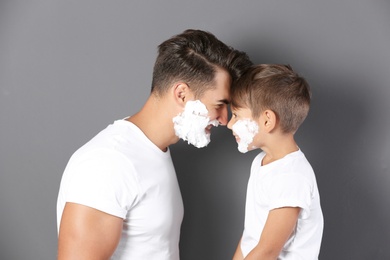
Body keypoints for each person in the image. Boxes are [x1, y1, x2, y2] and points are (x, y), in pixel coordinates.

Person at [56, 29, 252, 259]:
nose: (224, 119)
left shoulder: (151, 151)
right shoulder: (109, 161)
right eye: (219, 104)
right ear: (181, 94)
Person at [228, 64, 323, 259]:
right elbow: (251, 237)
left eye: (236, 115)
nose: (229, 124)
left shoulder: (292, 177)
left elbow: (268, 251)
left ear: (267, 121)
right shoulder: (261, 161)